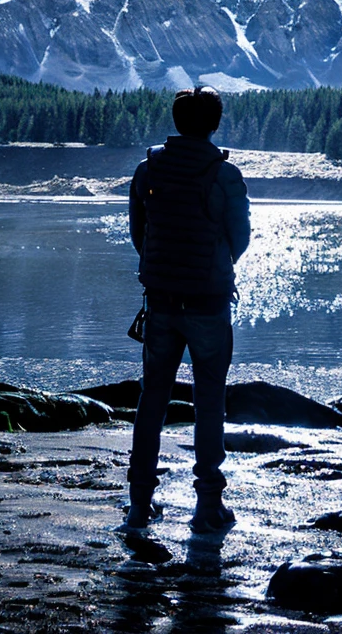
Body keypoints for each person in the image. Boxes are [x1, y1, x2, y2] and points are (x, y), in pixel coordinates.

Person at [126, 86, 251, 532]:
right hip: (209, 302)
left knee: (152, 400)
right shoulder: (224, 173)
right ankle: (207, 507)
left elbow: (138, 235)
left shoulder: (147, 168)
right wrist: (212, 268)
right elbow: (241, 238)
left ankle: (140, 504)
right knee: (209, 400)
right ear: (214, 124)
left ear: (177, 121)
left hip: (160, 302)